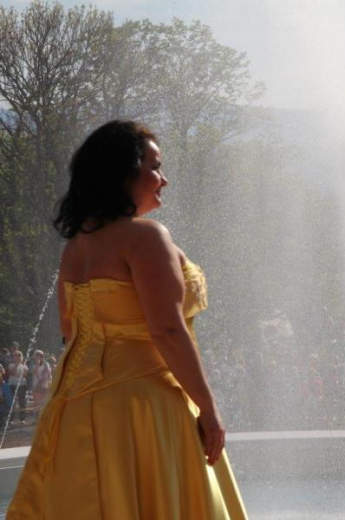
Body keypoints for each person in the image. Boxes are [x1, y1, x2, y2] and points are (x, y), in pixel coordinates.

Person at [9, 121, 246, 519]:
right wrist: (209, 409)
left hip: (75, 406)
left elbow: (71, 331)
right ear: (122, 175)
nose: (164, 179)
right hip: (143, 407)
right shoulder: (147, 237)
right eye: (155, 167)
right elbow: (167, 329)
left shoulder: (77, 246)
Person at [7, 350, 29, 424]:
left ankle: (22, 418)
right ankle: (11, 419)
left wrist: (18, 374)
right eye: (15, 355)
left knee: (22, 402)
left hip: (22, 385)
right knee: (12, 402)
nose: (17, 357)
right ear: (13, 357)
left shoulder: (24, 366)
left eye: (19, 355)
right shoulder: (10, 365)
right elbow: (13, 372)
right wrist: (17, 365)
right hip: (12, 385)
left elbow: (25, 375)